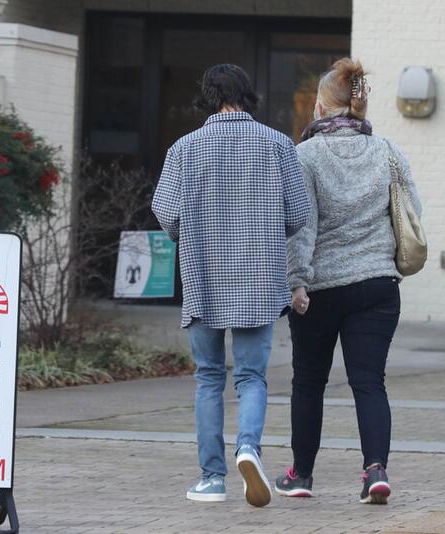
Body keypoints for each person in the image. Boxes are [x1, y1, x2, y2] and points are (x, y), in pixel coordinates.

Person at [152, 63, 310, 507]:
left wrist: (199, 230)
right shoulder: (278, 144)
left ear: (207, 96)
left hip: (204, 276)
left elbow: (166, 213)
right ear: (247, 96)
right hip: (258, 278)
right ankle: (248, 450)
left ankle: (212, 479)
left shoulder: (184, 148)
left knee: (207, 378)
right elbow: (298, 214)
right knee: (251, 376)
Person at [274, 58, 422, 505]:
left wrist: (296, 282)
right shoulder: (388, 151)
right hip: (377, 284)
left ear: (320, 107)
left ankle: (301, 476)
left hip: (320, 290)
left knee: (308, 381)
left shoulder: (306, 156)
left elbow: (301, 226)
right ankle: (375, 471)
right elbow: (411, 209)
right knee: (369, 381)